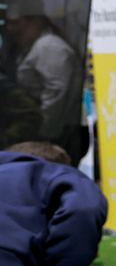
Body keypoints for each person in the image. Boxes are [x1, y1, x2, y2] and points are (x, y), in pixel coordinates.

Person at [3, 12, 86, 162]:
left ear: (36, 22)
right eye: (8, 23)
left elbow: (57, 92)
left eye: (16, 22)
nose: (10, 28)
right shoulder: (35, 45)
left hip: (53, 132)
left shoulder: (49, 46)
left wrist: (41, 130)